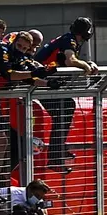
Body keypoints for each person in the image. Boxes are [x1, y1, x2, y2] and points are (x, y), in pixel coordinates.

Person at [35, 17, 97, 170]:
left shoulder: (68, 39)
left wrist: (88, 64)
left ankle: (57, 151)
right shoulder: (69, 40)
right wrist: (86, 66)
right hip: (41, 83)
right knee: (67, 107)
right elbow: (70, 60)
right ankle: (55, 154)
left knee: (65, 109)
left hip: (45, 83)